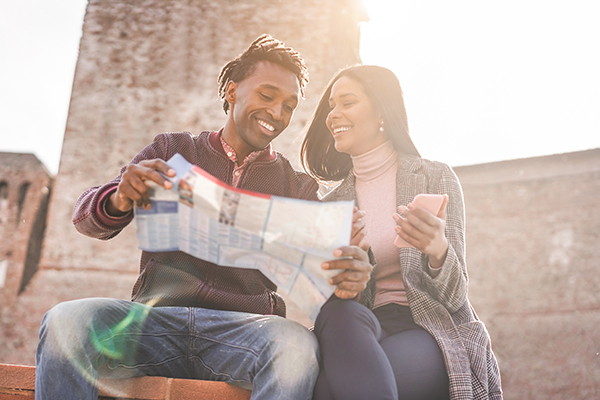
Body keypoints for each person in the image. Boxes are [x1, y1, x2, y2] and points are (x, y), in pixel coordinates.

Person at [34, 35, 372, 400]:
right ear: (231, 91)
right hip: (153, 324)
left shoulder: (297, 186)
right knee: (65, 322)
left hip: (244, 334)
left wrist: (350, 270)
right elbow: (86, 220)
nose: (277, 113)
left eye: (289, 106)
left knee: (296, 346)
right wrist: (119, 196)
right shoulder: (173, 150)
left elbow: (329, 270)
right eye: (267, 95)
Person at [301, 65, 503, 400]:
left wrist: (438, 251)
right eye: (331, 106)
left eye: (346, 103)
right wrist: (346, 274)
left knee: (326, 391)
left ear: (381, 110)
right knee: (338, 312)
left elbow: (455, 297)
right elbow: (325, 304)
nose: (333, 115)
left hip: (426, 326)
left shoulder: (433, 178)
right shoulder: (331, 204)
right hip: (357, 329)